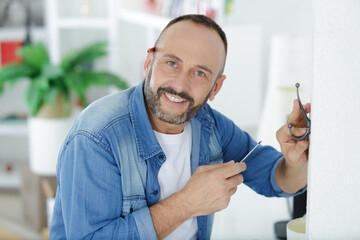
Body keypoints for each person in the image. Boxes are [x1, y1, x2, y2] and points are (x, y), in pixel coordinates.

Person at [49, 14, 310, 240]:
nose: (180, 85)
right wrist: (187, 204)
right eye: (172, 63)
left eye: (200, 73)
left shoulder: (209, 124)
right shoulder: (96, 137)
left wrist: (295, 161)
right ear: (149, 63)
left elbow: (275, 179)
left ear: (215, 87)